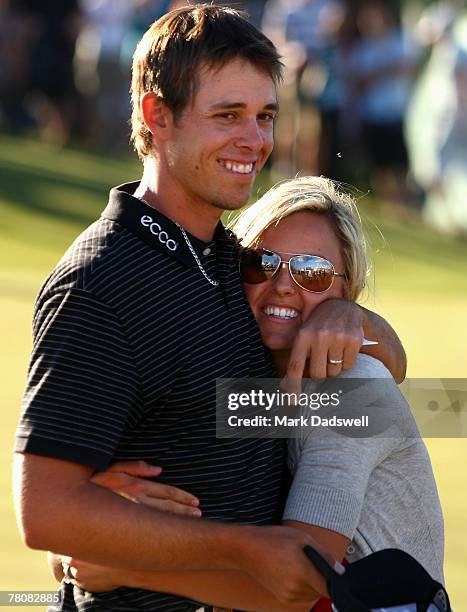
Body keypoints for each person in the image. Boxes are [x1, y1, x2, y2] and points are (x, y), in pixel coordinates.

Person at [14, 6, 406, 612]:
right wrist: (245, 550)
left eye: (265, 116)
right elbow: (45, 511)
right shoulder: (102, 281)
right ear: (157, 115)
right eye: (228, 116)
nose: (254, 141)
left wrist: (350, 318)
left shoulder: (232, 261)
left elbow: (385, 391)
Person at [63, 176, 444, 611]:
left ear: (347, 290)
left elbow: (298, 585)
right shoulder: (238, 375)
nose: (283, 284)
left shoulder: (354, 390)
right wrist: (91, 518)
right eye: (261, 262)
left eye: (312, 272)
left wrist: (123, 567)